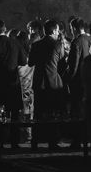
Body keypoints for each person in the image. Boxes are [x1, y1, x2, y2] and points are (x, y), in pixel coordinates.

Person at [0, 19, 27, 148]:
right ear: (5, 28)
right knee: (14, 113)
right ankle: (15, 142)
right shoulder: (15, 43)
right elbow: (24, 61)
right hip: (13, 82)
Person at [28, 19, 66, 148]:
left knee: (38, 112)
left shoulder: (36, 45)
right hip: (53, 82)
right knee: (52, 112)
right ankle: (52, 141)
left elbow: (30, 63)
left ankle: (35, 140)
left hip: (39, 81)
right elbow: (62, 63)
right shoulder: (57, 45)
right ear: (55, 30)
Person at [67, 18, 91, 118]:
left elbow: (74, 64)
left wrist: (69, 78)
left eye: (70, 28)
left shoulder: (76, 42)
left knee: (77, 109)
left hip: (78, 79)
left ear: (74, 28)